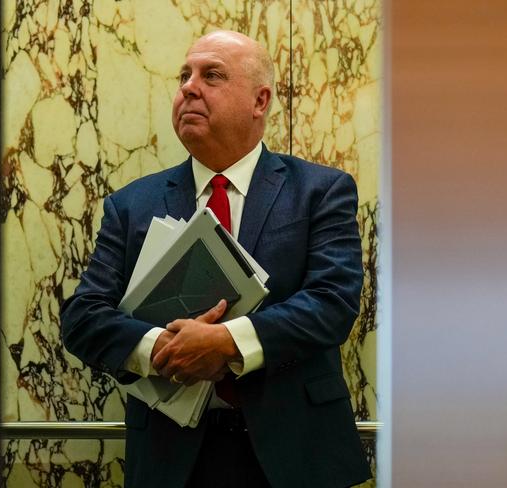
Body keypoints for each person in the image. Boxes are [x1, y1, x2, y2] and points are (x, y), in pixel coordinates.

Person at [61, 30, 371, 488]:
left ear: (260, 101)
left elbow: (333, 304)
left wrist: (225, 344)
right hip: (174, 460)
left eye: (212, 75)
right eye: (184, 75)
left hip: (297, 454)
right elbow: (83, 318)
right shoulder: (131, 205)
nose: (188, 87)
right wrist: (166, 352)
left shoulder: (320, 191)